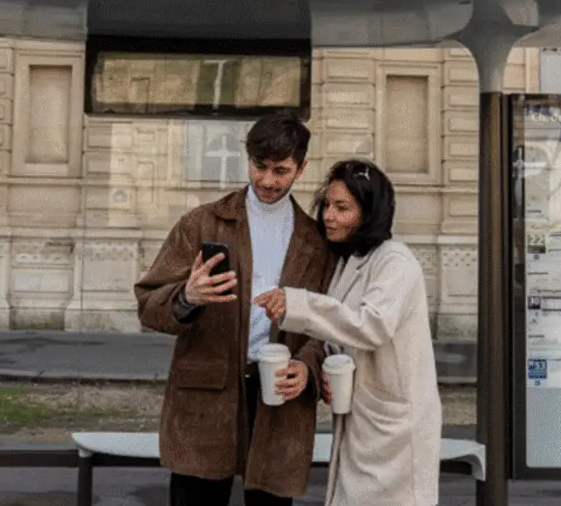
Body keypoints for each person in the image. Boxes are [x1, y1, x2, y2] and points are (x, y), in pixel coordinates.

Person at [134, 111, 337, 506]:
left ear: (301, 169)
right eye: (260, 166)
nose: (267, 180)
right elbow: (147, 303)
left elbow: (325, 321)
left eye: (281, 170)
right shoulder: (201, 223)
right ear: (248, 159)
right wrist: (187, 296)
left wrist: (308, 367)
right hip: (206, 397)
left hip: (278, 395)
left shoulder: (315, 240)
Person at [255, 159, 441, 506]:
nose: (329, 216)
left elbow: (371, 326)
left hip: (394, 430)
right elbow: (339, 333)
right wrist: (310, 368)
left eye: (342, 208)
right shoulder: (350, 260)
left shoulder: (395, 262)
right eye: (327, 204)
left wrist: (298, 303)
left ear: (369, 213)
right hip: (362, 421)